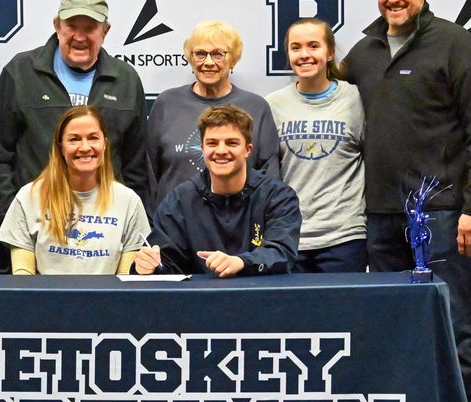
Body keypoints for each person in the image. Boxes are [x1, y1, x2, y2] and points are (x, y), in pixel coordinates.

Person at [341, 0, 471, 402]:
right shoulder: (364, 52)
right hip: (380, 218)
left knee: (457, 329)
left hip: (441, 215)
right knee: (394, 329)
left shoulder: (454, 43)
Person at [0, 0, 148, 219]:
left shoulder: (126, 80)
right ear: (57, 26)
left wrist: (125, 222)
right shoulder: (21, 72)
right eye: (71, 26)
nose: (79, 37)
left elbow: (137, 168)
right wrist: (16, 217)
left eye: (90, 28)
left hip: (105, 224)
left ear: (105, 31)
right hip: (36, 222)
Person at [135, 105, 300, 277]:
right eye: (212, 143)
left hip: (261, 292)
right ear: (202, 148)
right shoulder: (180, 201)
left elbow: (281, 252)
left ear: (248, 150)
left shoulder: (278, 197)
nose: (221, 151)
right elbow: (166, 262)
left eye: (232, 143)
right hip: (199, 294)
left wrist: (241, 262)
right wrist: (148, 265)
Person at [0, 106, 150, 275]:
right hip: (46, 293)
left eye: (93, 138)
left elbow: (125, 282)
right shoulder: (29, 197)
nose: (85, 147)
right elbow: (22, 278)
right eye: (74, 139)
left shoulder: (128, 202)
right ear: (61, 147)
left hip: (108, 294)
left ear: (105, 144)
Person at [265, 18, 366, 273]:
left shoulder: (356, 98)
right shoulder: (273, 104)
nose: (304, 55)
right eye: (296, 47)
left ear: (329, 52)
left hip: (345, 237)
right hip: (290, 237)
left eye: (313, 46)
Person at [147, 20, 278, 212]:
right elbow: (149, 175)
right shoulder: (166, 103)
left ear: (233, 59)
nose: (208, 62)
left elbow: (269, 178)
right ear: (191, 58)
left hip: (238, 224)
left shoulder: (256, 107)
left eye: (218, 54)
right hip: (174, 223)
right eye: (200, 54)